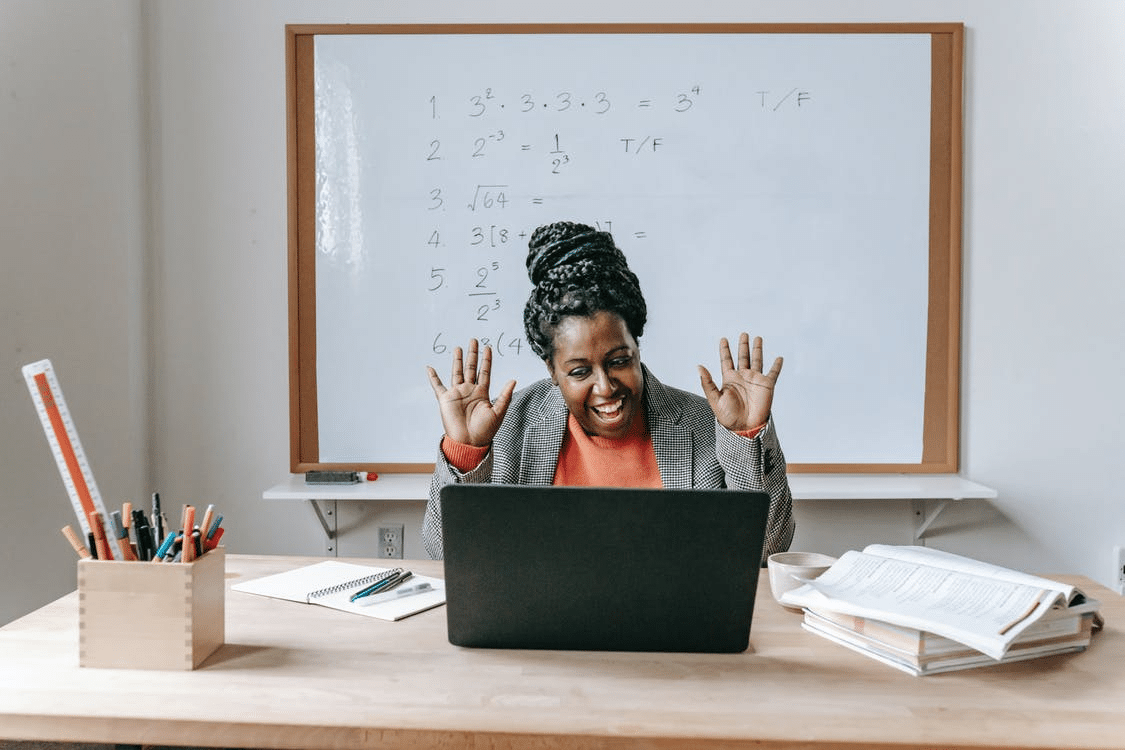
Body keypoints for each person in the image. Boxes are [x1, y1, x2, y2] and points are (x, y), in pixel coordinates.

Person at [423, 221, 794, 561]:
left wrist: (746, 437)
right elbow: (445, 553)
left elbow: (765, 550)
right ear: (552, 370)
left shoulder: (705, 426)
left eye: (618, 361)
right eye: (580, 371)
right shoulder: (507, 429)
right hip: (542, 631)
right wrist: (467, 453)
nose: (605, 387)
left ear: (637, 347)